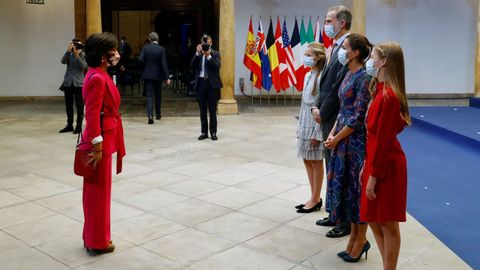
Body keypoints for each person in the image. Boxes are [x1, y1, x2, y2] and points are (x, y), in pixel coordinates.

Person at [360, 41, 410, 270]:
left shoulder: (389, 96)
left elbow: (384, 140)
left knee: (387, 221)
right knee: (372, 217)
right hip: (374, 159)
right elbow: (373, 137)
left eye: (373, 57)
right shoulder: (378, 90)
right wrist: (366, 165)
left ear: (384, 61)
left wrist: (374, 175)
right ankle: (385, 265)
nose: (370, 61)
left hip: (387, 165)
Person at [323, 34, 371, 263]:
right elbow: (342, 109)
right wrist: (332, 133)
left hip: (355, 142)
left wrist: (337, 138)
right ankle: (353, 239)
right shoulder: (349, 73)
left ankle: (361, 240)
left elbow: (357, 117)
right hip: (341, 138)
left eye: (345, 47)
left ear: (355, 53)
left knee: (356, 191)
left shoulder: (364, 78)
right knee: (346, 192)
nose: (341, 51)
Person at [79, 32, 126, 255]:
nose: (117, 54)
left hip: (105, 139)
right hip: (100, 144)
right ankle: (97, 241)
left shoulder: (100, 72)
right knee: (98, 194)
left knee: (98, 193)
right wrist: (97, 145)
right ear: (102, 56)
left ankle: (95, 236)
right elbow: (92, 113)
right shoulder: (97, 77)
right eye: (112, 51)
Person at [311, 5, 352, 238]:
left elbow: (338, 85)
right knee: (330, 169)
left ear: (342, 23)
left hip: (335, 117)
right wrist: (317, 105)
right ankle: (334, 212)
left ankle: (344, 220)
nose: (326, 24)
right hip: (326, 115)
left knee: (339, 171)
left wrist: (323, 112)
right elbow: (325, 82)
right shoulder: (334, 46)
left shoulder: (347, 48)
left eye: (328, 20)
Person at [295, 42, 327, 214]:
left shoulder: (322, 76)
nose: (306, 58)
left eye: (309, 55)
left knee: (316, 160)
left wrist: (317, 132)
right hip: (305, 120)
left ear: (318, 57)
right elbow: (304, 103)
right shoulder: (308, 74)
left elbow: (319, 106)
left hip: (315, 123)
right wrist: (300, 125)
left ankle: (316, 198)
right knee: (307, 159)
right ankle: (312, 196)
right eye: (305, 54)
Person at [190, 34, 223, 141]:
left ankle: (213, 132)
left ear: (211, 43)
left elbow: (217, 66)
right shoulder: (199, 54)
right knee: (202, 110)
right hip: (201, 84)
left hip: (211, 84)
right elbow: (192, 66)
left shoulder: (215, 53)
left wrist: (208, 55)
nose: (205, 45)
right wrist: (197, 53)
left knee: (212, 110)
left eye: (207, 42)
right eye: (203, 43)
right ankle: (204, 132)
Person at [139, 32, 170, 124]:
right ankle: (158, 114)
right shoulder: (161, 49)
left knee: (149, 95)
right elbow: (163, 63)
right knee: (158, 94)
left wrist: (143, 68)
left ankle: (150, 116)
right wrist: (167, 77)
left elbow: (140, 60)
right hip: (158, 76)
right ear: (158, 39)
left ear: (149, 39)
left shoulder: (145, 48)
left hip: (147, 75)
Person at [59, 38, 87, 134]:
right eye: (75, 45)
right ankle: (69, 125)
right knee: (68, 105)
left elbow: (83, 66)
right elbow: (62, 61)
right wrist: (68, 51)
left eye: (78, 45)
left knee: (79, 105)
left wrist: (76, 55)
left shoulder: (83, 55)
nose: (76, 47)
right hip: (68, 83)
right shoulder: (69, 54)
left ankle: (78, 126)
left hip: (79, 84)